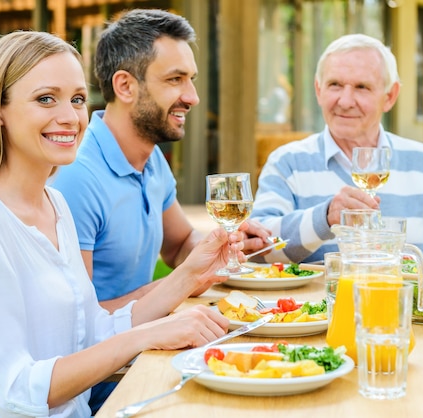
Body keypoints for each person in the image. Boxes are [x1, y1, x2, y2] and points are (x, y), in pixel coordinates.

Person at [0, 30, 238, 418]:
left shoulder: (54, 204)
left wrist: (190, 276)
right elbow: (15, 388)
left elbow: (90, 331)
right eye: (46, 99)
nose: (70, 117)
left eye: (77, 99)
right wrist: (149, 334)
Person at [52, 9, 272, 313]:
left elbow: (179, 245)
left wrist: (220, 246)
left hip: (148, 341)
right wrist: (182, 282)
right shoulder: (77, 178)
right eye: (175, 79)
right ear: (125, 86)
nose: (192, 97)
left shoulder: (151, 157)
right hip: (115, 358)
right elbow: (80, 320)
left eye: (190, 79)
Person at [242, 33, 423, 263]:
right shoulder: (287, 163)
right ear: (318, 89)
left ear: (390, 96)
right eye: (335, 85)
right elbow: (257, 250)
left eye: (361, 87)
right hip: (316, 300)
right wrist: (323, 218)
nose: (345, 101)